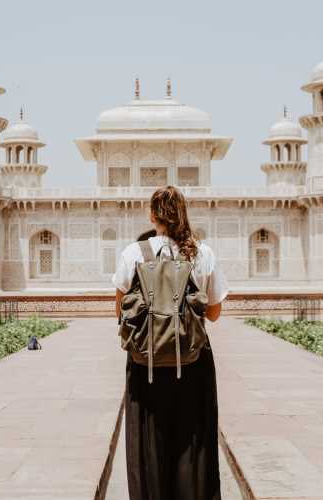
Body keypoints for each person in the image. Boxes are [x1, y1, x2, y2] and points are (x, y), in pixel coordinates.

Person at [112, 185, 228, 500]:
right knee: (193, 444)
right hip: (193, 362)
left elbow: (120, 310)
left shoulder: (133, 253)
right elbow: (215, 313)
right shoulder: (202, 254)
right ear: (183, 214)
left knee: (148, 446)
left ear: (152, 216)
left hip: (145, 363)